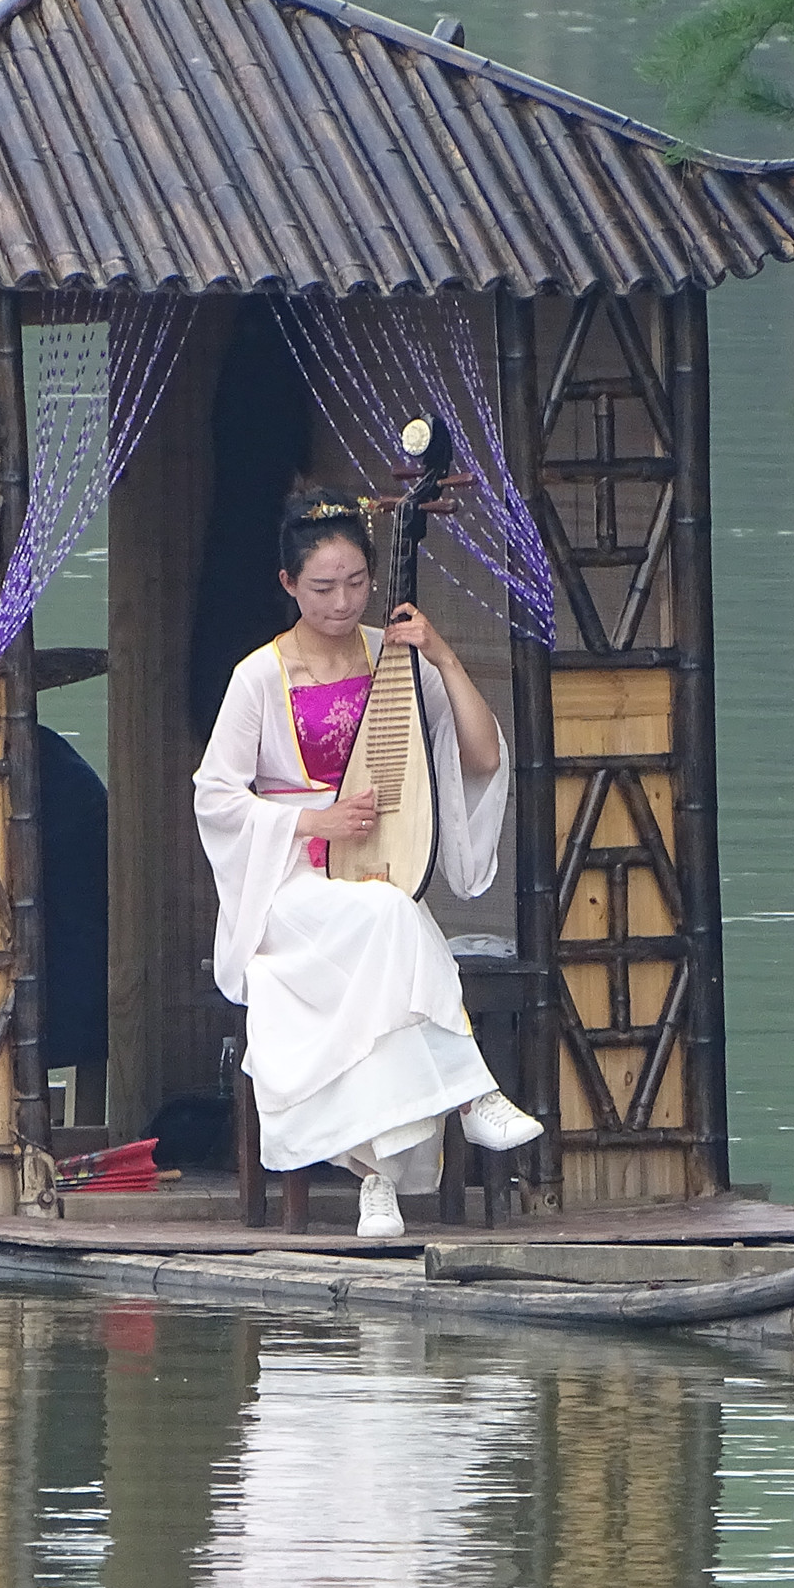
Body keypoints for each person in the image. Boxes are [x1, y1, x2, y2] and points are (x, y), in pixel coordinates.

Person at [194, 490, 543, 1240]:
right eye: (322, 587)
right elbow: (215, 797)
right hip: (288, 888)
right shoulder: (260, 676)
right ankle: (468, 1094)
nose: (342, 601)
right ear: (288, 585)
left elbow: (481, 758)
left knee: (389, 934)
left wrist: (441, 655)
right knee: (396, 920)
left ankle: (377, 1182)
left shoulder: (392, 663)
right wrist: (308, 820)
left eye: (356, 583)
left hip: (370, 875)